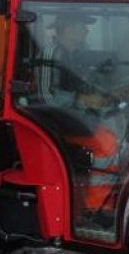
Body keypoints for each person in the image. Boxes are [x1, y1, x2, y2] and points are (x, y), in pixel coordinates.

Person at [36, 14, 124, 236]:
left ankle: (107, 197)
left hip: (71, 115)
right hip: (53, 121)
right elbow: (45, 95)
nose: (85, 31)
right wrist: (83, 100)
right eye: (81, 26)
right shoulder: (50, 54)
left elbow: (81, 89)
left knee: (118, 126)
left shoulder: (74, 54)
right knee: (107, 142)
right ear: (66, 28)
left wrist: (104, 95)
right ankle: (96, 209)